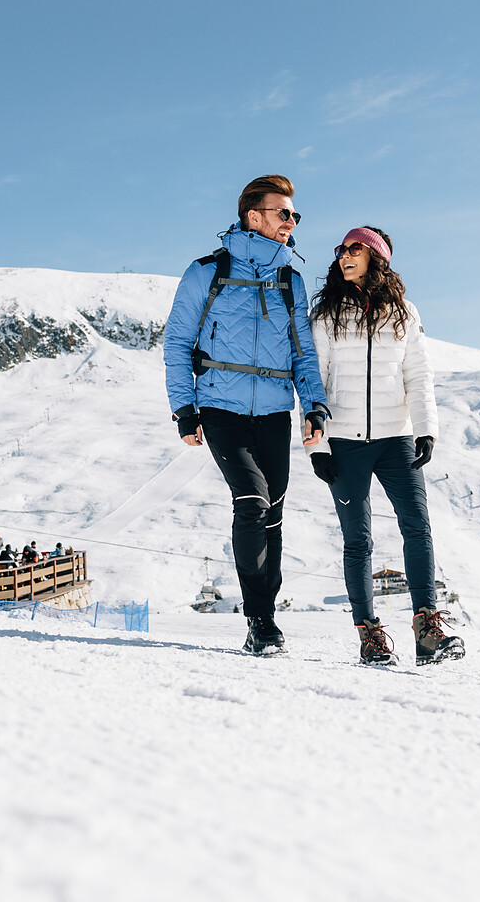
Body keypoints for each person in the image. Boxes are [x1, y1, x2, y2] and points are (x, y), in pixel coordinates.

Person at [164, 173, 328, 656]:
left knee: (273, 512)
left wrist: (313, 403)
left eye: (295, 215)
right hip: (220, 409)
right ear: (254, 216)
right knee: (253, 501)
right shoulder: (205, 271)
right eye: (284, 213)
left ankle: (266, 618)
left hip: (275, 411)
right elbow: (177, 342)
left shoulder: (289, 280)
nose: (291, 222)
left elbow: (303, 353)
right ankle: (259, 620)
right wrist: (183, 407)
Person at [307, 226, 463, 667]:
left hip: (397, 438)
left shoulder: (404, 313)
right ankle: (369, 635)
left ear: (376, 256)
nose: (343, 255)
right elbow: (312, 382)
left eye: (354, 248)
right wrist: (315, 448)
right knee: (358, 540)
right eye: (340, 250)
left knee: (418, 527)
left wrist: (426, 429)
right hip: (344, 441)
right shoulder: (326, 315)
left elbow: (419, 375)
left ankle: (426, 630)